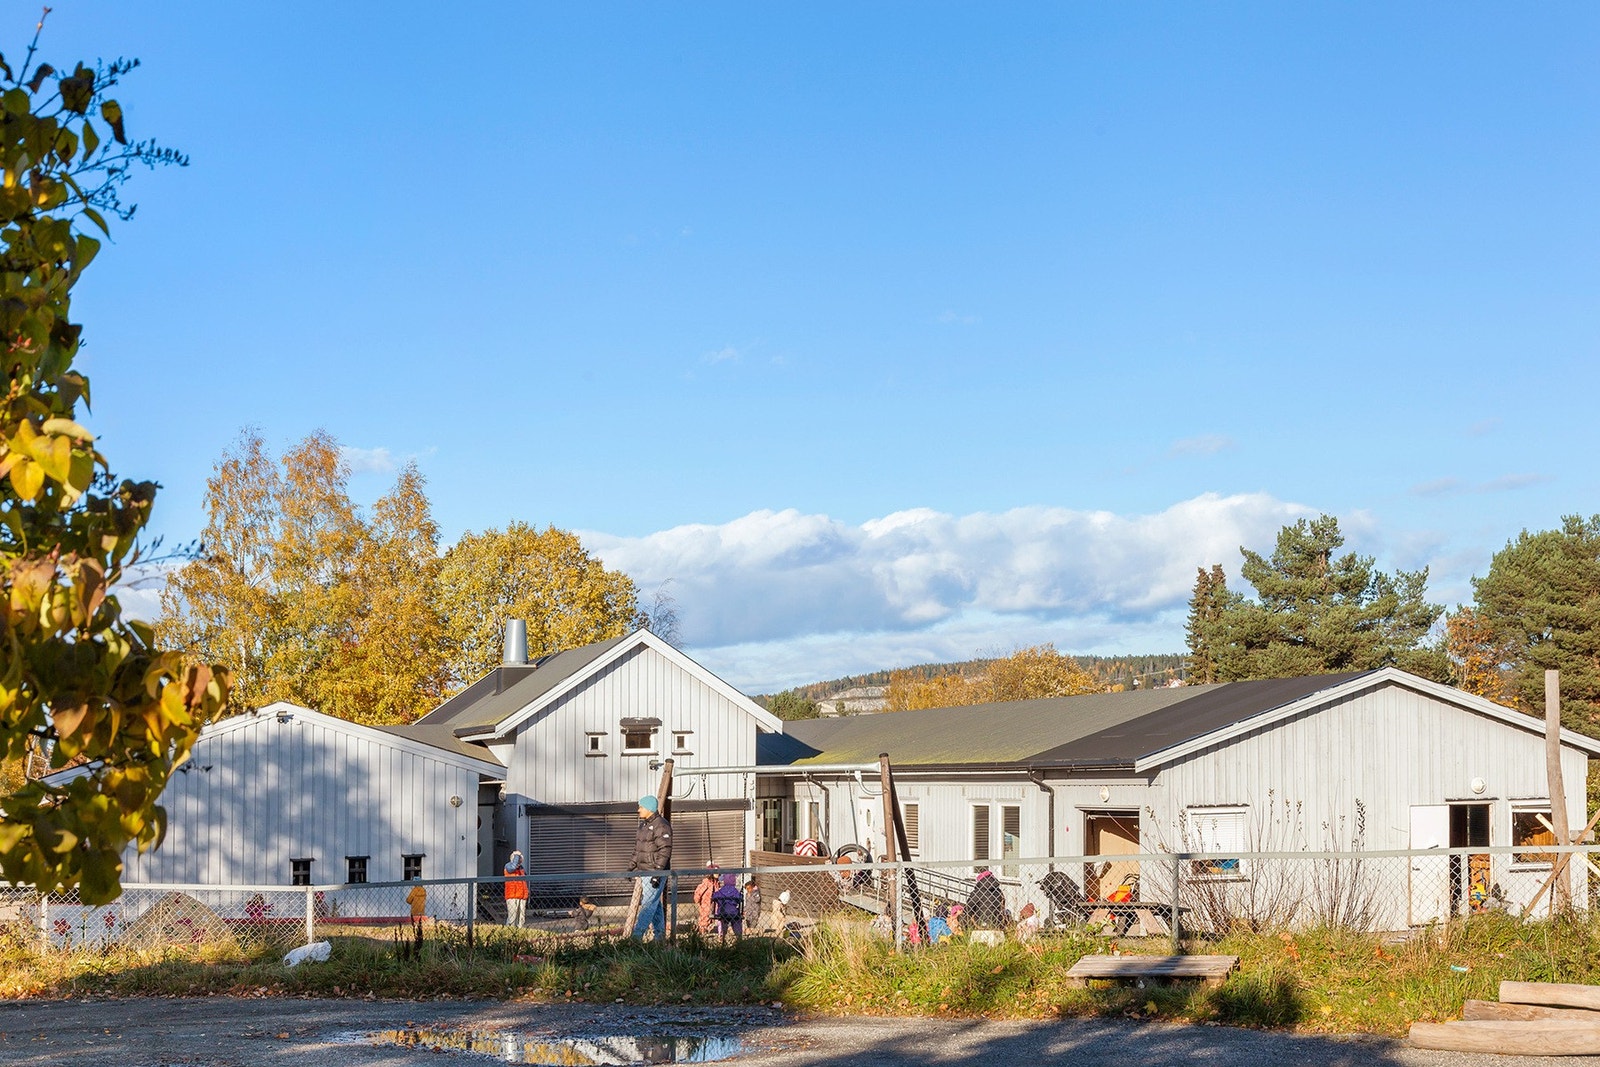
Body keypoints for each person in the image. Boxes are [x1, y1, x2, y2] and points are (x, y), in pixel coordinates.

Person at [628, 795, 672, 940]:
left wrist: (658, 873)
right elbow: (638, 849)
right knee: (654, 904)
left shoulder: (661, 825)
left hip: (654, 872)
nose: (638, 810)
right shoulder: (643, 826)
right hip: (645, 871)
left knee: (648, 904)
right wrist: (631, 867)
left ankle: (637, 936)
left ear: (648, 808)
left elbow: (665, 849)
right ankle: (660, 937)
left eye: (640, 807)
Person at [711, 872, 744, 938]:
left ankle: (721, 934)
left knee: (721, 922)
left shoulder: (721, 890)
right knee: (737, 921)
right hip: (733, 912)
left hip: (722, 912)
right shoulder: (734, 890)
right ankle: (738, 935)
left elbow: (714, 896)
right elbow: (740, 898)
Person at [503, 850, 529, 928]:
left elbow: (525, 881)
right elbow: (512, 868)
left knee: (521, 918)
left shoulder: (521, 869)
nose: (520, 861)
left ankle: (520, 933)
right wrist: (517, 855)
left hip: (522, 896)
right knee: (512, 917)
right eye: (518, 858)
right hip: (512, 895)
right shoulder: (508, 866)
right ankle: (509, 933)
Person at [693, 864, 719, 934]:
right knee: (705, 917)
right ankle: (702, 930)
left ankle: (705, 929)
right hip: (706, 903)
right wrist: (697, 899)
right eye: (716, 872)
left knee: (710, 918)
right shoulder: (706, 883)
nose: (718, 874)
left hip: (712, 903)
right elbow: (699, 892)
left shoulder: (716, 883)